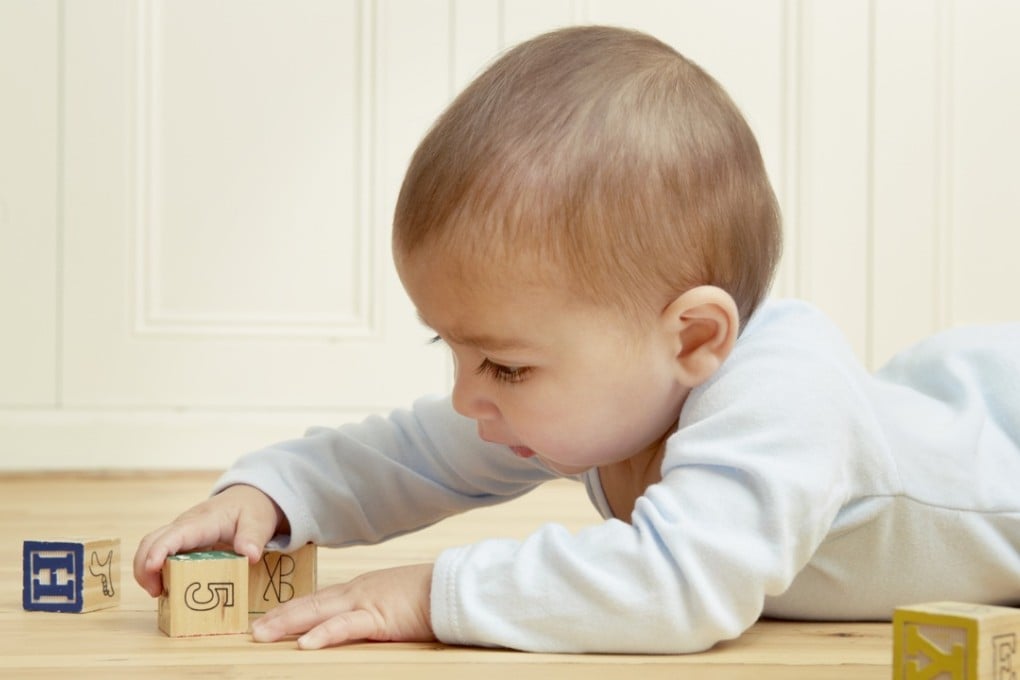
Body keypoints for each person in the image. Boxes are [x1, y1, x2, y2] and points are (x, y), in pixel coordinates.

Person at [133, 25, 1020, 654]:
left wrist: (433, 595)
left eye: (505, 365)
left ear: (695, 337)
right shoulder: (606, 391)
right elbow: (415, 455)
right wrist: (276, 494)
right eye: (453, 352)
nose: (467, 395)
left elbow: (678, 588)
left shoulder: (781, 393)